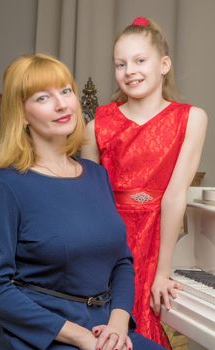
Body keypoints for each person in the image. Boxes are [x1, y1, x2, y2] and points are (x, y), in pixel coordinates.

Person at [0, 53, 166, 350]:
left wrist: (118, 325)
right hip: (46, 336)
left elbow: (121, 261)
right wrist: (80, 338)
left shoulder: (96, 176)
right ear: (22, 113)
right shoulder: (5, 187)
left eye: (66, 91)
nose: (61, 104)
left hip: (105, 330)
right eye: (42, 98)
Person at [81, 16, 207, 349]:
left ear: (164, 64)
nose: (129, 70)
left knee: (144, 322)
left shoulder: (190, 118)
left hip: (155, 236)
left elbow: (175, 195)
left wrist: (161, 271)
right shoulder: (98, 124)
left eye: (140, 60)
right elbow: (85, 198)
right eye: (120, 64)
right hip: (108, 236)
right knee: (104, 329)